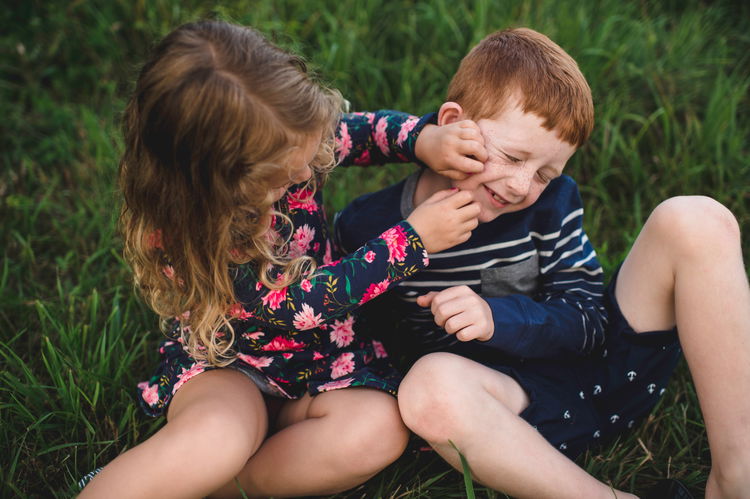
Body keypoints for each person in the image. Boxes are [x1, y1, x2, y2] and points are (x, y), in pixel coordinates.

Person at [335, 28, 750, 498]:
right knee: (430, 387)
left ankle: (737, 478)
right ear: (453, 123)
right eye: (512, 157)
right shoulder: (367, 227)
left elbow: (589, 320)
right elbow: (362, 346)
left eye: (546, 173)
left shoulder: (548, 205)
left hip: (606, 380)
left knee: (696, 218)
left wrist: (498, 317)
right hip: (506, 414)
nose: (521, 186)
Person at [78, 20, 484, 498]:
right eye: (281, 172)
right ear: (216, 186)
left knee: (377, 429)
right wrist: (411, 240)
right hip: (232, 366)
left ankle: (224, 489)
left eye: (303, 152)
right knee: (219, 439)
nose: (302, 170)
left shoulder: (282, 138)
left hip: (328, 358)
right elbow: (296, 304)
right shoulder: (199, 234)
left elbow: (356, 133)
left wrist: (421, 139)